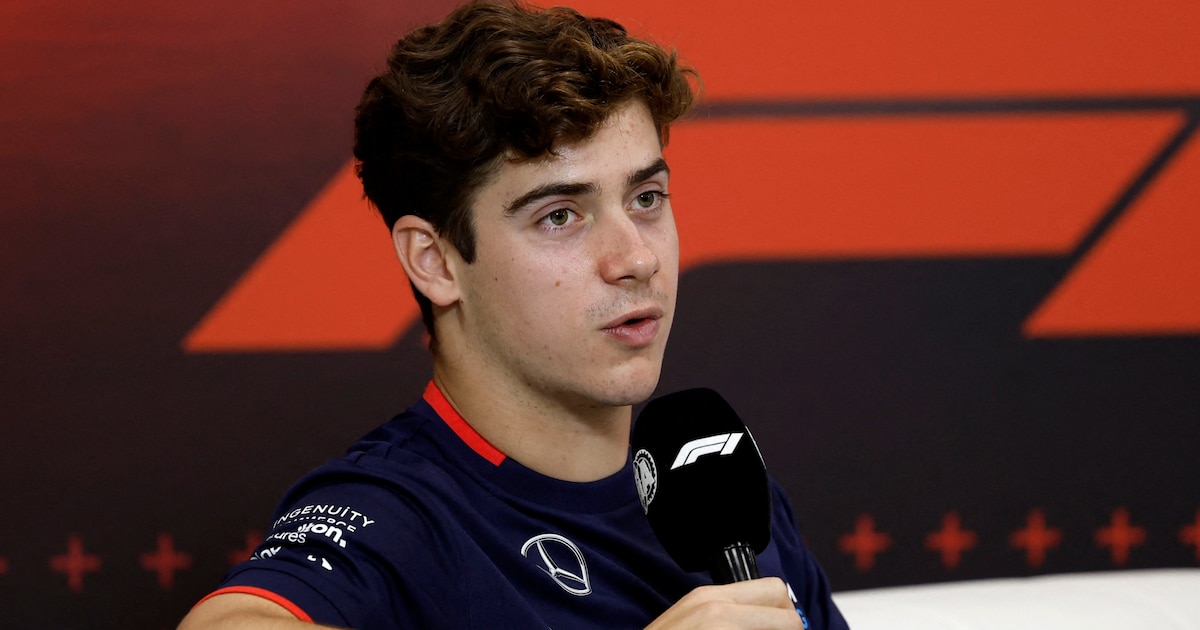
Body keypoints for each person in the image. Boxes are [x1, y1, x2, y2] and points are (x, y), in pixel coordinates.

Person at [179, 1, 848, 628]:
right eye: (560, 215)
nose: (637, 258)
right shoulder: (397, 517)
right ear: (435, 262)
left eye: (646, 197)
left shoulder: (719, 492)